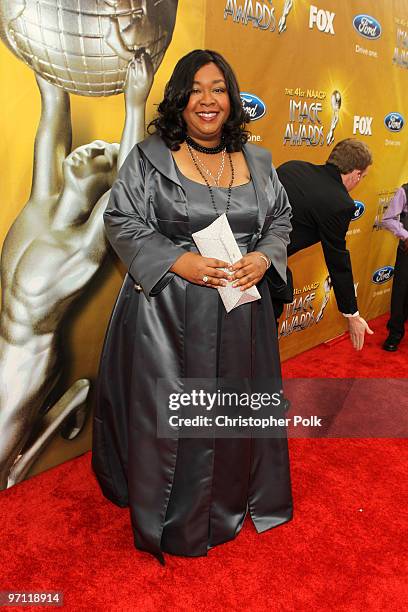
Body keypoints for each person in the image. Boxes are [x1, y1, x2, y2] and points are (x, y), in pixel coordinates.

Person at [92, 49, 293, 564]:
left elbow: (280, 221)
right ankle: (173, 513)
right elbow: (120, 219)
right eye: (197, 90)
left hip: (241, 310)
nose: (209, 100)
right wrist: (178, 262)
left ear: (232, 98)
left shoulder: (259, 161)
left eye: (219, 89)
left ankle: (228, 500)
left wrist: (265, 258)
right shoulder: (148, 157)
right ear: (180, 99)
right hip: (167, 315)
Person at [0, 54, 153, 490]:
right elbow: (52, 106)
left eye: (106, 154)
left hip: (26, 367)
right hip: (1, 345)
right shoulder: (41, 201)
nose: (94, 149)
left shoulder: (84, 245)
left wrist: (135, 104)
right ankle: (71, 401)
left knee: (4, 474)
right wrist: (41, 40)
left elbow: (126, 195)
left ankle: (69, 401)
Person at [276, 139, 374, 351]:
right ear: (356, 174)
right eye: (363, 177)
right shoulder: (340, 203)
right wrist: (352, 314)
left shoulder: (293, 167)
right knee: (257, 339)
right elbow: (337, 260)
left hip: (233, 246)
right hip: (261, 270)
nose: (360, 181)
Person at [380, 183, 408, 351]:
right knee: (401, 291)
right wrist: (405, 236)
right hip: (407, 250)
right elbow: (388, 219)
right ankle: (395, 332)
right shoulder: (404, 191)